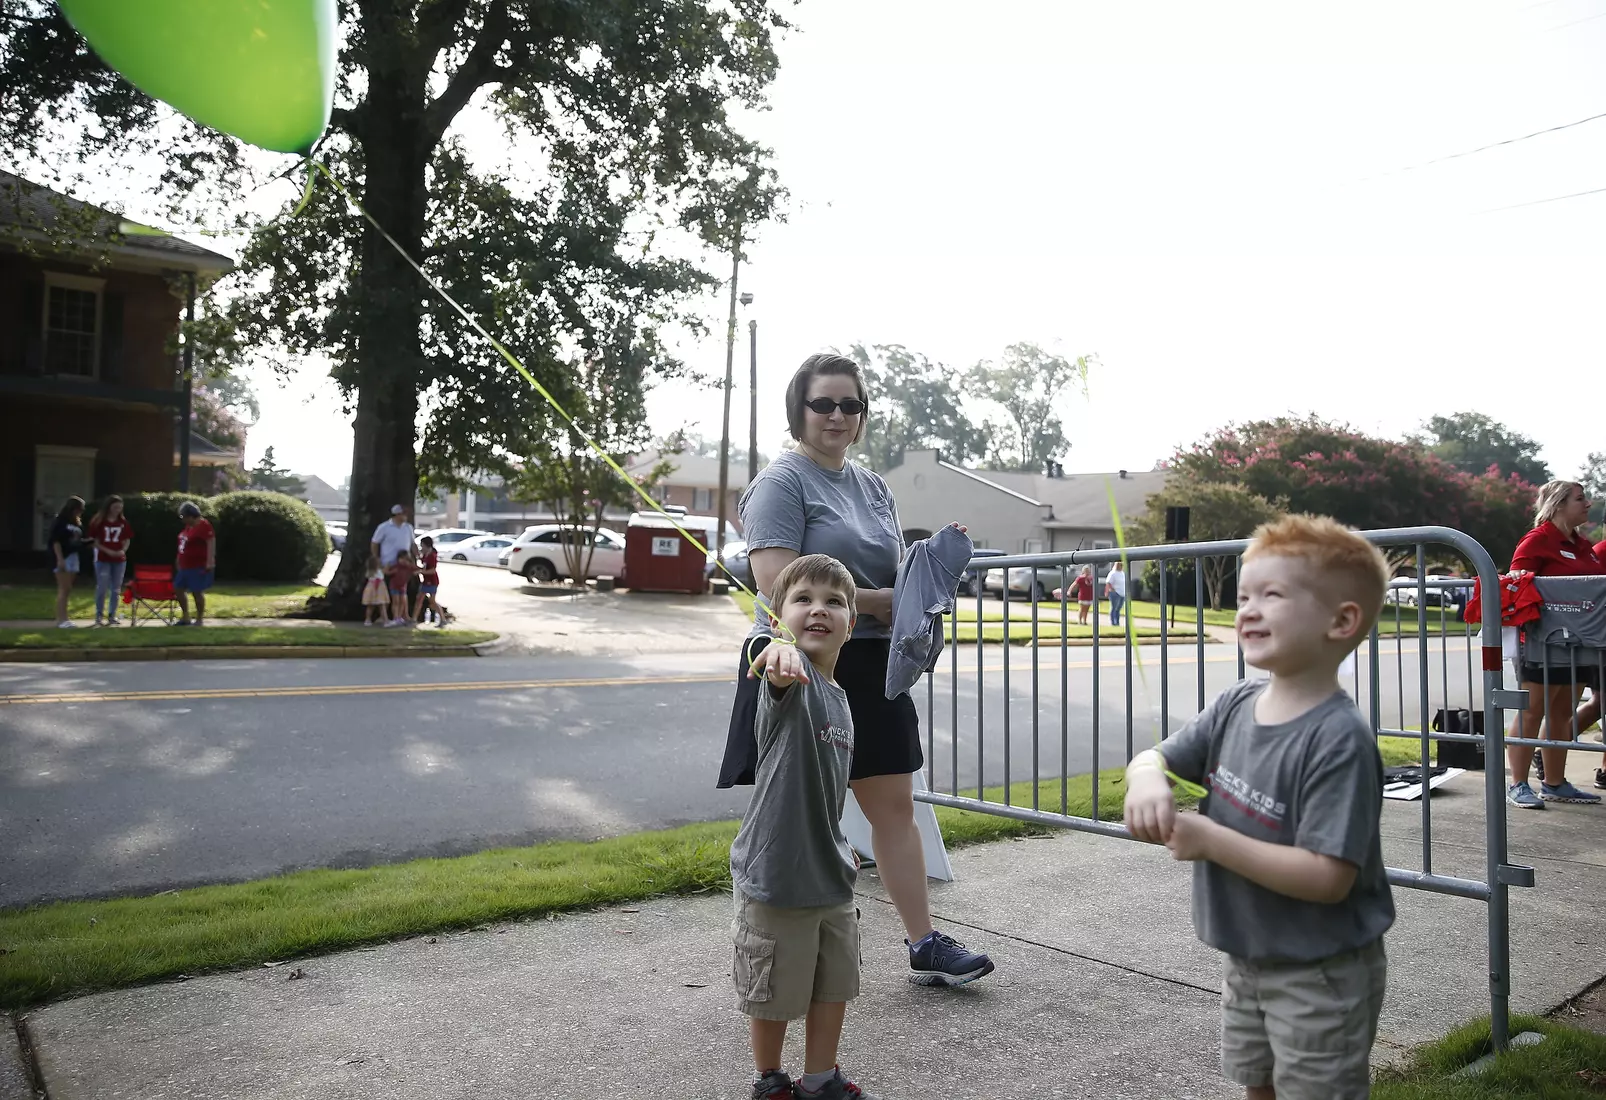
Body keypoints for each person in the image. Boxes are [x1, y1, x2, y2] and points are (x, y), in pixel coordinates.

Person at [719, 351, 994, 988]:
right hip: (802, 664)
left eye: (851, 405)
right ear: (800, 413)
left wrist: (922, 585)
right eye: (824, 404)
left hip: (874, 660)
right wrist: (880, 601)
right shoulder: (781, 485)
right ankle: (776, 943)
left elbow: (898, 571)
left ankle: (924, 943)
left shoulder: (873, 486)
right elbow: (777, 583)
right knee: (800, 813)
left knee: (894, 803)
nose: (838, 416)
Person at [1125, 515, 1395, 1100]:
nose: (1247, 609)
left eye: (1271, 595)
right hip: (1247, 956)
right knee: (1258, 1083)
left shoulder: (1338, 739)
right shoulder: (1235, 704)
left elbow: (1328, 878)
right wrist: (1147, 780)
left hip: (1322, 971)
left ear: (1341, 621)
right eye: (1244, 594)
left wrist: (1209, 839)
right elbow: (1156, 757)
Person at [731, 554, 881, 1100]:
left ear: (852, 622)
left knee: (832, 985)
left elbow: (826, 786)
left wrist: (840, 842)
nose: (818, 610)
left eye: (834, 602)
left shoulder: (840, 699)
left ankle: (820, 1077)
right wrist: (775, 651)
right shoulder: (787, 685)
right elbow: (767, 659)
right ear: (778, 617)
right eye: (803, 600)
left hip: (830, 874)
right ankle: (770, 1078)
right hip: (777, 875)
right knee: (772, 988)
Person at [1502, 480, 1603, 809]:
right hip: (1540, 641)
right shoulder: (1538, 540)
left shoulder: (1583, 544)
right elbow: (1516, 586)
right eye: (1580, 498)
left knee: (1562, 712)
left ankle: (1555, 783)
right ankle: (1517, 784)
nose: (1587, 504)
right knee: (1531, 711)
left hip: (1577, 643)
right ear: (1559, 504)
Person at [87, 495, 133, 627]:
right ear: (109, 507)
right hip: (103, 559)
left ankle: (112, 615)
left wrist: (122, 550)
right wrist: (108, 551)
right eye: (115, 507)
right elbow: (94, 541)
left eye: (120, 507)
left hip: (119, 560)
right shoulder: (98, 522)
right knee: (102, 587)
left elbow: (127, 539)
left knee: (116, 589)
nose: (117, 510)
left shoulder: (123, 523)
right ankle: (99, 616)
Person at [173, 501, 215, 626]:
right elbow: (183, 543)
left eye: (183, 517)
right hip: (184, 566)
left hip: (198, 565)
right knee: (178, 589)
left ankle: (199, 618)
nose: (182, 519)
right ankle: (186, 616)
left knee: (197, 591)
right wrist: (178, 558)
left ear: (191, 516)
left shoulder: (204, 526)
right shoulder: (188, 527)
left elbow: (211, 542)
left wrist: (210, 561)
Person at [48, 496, 86, 629]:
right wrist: (60, 559)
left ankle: (65, 618)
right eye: (79, 509)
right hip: (63, 556)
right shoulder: (60, 522)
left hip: (73, 556)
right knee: (64, 588)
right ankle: (61, 620)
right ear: (72, 509)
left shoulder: (76, 523)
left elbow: (77, 539)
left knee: (68, 589)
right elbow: (55, 541)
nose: (80, 512)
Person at [412, 536, 451, 627]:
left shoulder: (432, 556)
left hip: (432, 582)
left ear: (426, 545)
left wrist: (421, 571)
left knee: (432, 601)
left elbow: (432, 570)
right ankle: (413, 619)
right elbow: (423, 565)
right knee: (419, 599)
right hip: (425, 581)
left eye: (422, 546)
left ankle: (443, 619)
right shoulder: (425, 555)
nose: (421, 548)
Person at [386, 550, 418, 626]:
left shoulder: (409, 567)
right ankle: (395, 617)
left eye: (406, 559)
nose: (403, 561)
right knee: (395, 601)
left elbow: (417, 569)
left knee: (402, 602)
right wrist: (389, 569)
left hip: (402, 587)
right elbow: (387, 572)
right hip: (394, 586)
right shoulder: (396, 566)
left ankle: (399, 617)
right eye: (402, 559)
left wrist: (412, 564)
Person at [361, 552, 390, 626]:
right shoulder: (379, 571)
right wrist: (388, 564)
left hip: (370, 588)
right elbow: (386, 571)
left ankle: (367, 620)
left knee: (370, 606)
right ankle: (385, 621)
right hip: (379, 589)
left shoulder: (369, 572)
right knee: (382, 605)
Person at [1105, 561, 1127, 626]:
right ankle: (1113, 622)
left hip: (1122, 593)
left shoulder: (1122, 573)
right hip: (1115, 593)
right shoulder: (1113, 573)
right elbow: (1108, 582)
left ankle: (1117, 622)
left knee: (1118, 608)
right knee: (1114, 608)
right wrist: (1111, 590)